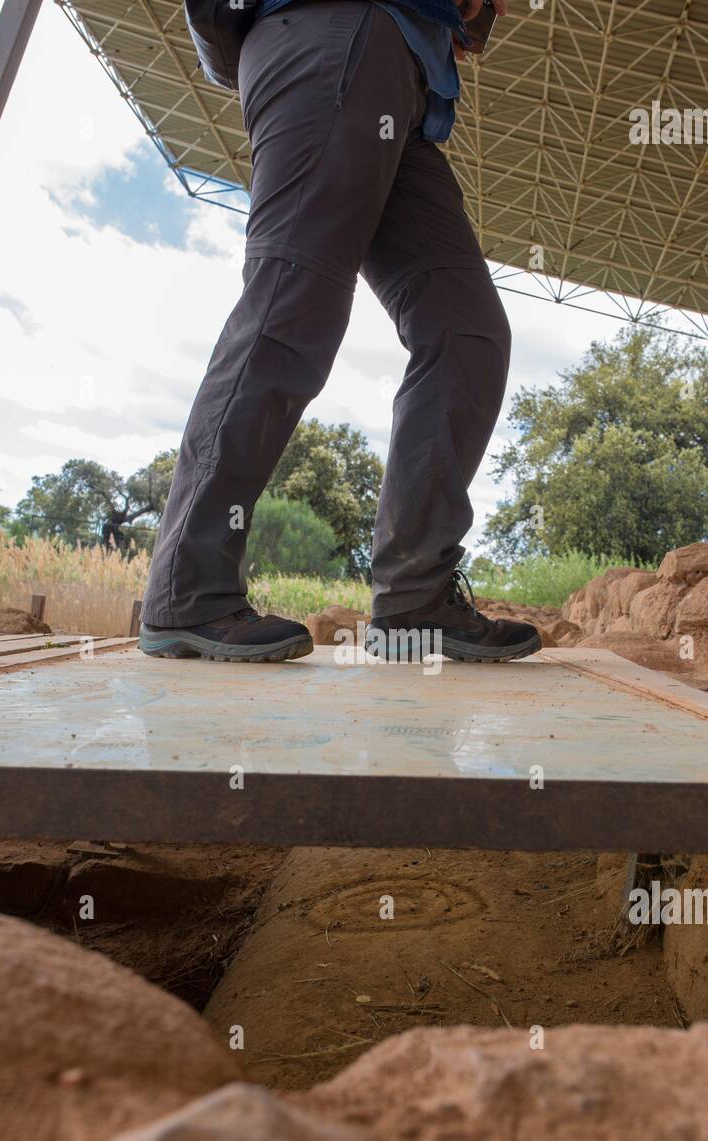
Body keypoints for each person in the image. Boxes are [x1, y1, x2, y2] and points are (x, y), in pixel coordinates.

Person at [138, 0, 541, 664]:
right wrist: (255, 49)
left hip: (406, 88)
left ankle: (415, 596)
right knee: (294, 300)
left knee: (465, 330)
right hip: (332, 35)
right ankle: (189, 589)